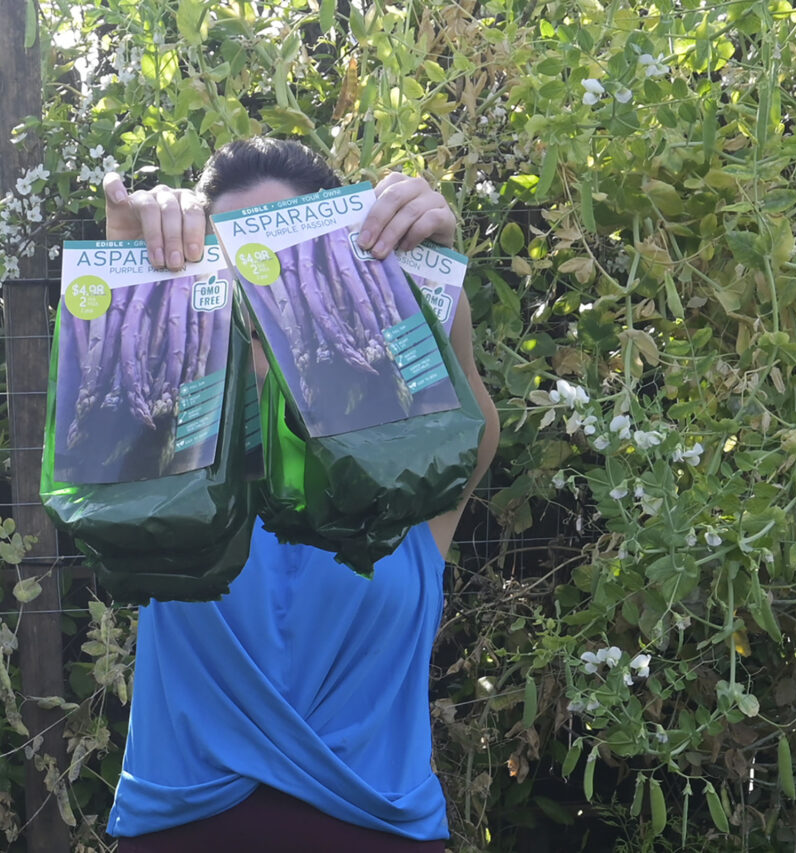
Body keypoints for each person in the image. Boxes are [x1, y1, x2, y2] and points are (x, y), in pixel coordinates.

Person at [99, 138, 500, 852]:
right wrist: (135, 274)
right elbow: (116, 414)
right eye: (231, 276)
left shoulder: (408, 495)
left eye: (282, 273)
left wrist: (434, 268)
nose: (261, 312)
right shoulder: (168, 482)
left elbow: (464, 399)